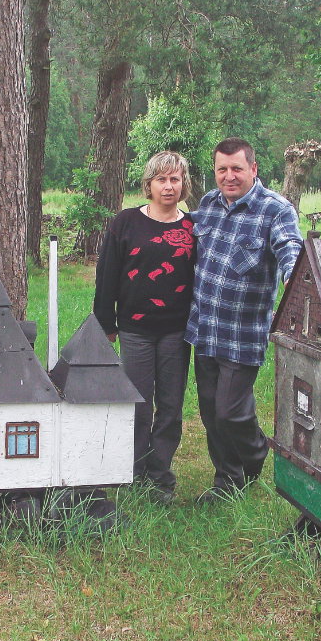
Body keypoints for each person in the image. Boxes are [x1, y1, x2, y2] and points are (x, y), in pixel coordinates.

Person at [185, 137, 302, 502]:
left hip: (243, 333)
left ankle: (253, 456)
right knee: (210, 412)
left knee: (230, 412)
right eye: (222, 169)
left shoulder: (275, 210)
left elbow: (290, 249)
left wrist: (295, 281)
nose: (229, 176)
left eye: (237, 168)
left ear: (253, 168)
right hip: (204, 328)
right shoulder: (208, 204)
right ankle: (227, 478)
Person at [93, 151, 197, 504]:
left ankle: (160, 475)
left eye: (175, 179)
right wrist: (105, 322)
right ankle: (133, 470)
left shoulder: (193, 228)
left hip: (177, 332)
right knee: (137, 403)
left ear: (184, 184)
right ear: (149, 184)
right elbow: (107, 274)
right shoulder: (125, 223)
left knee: (169, 406)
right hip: (134, 329)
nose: (168, 186)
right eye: (161, 179)